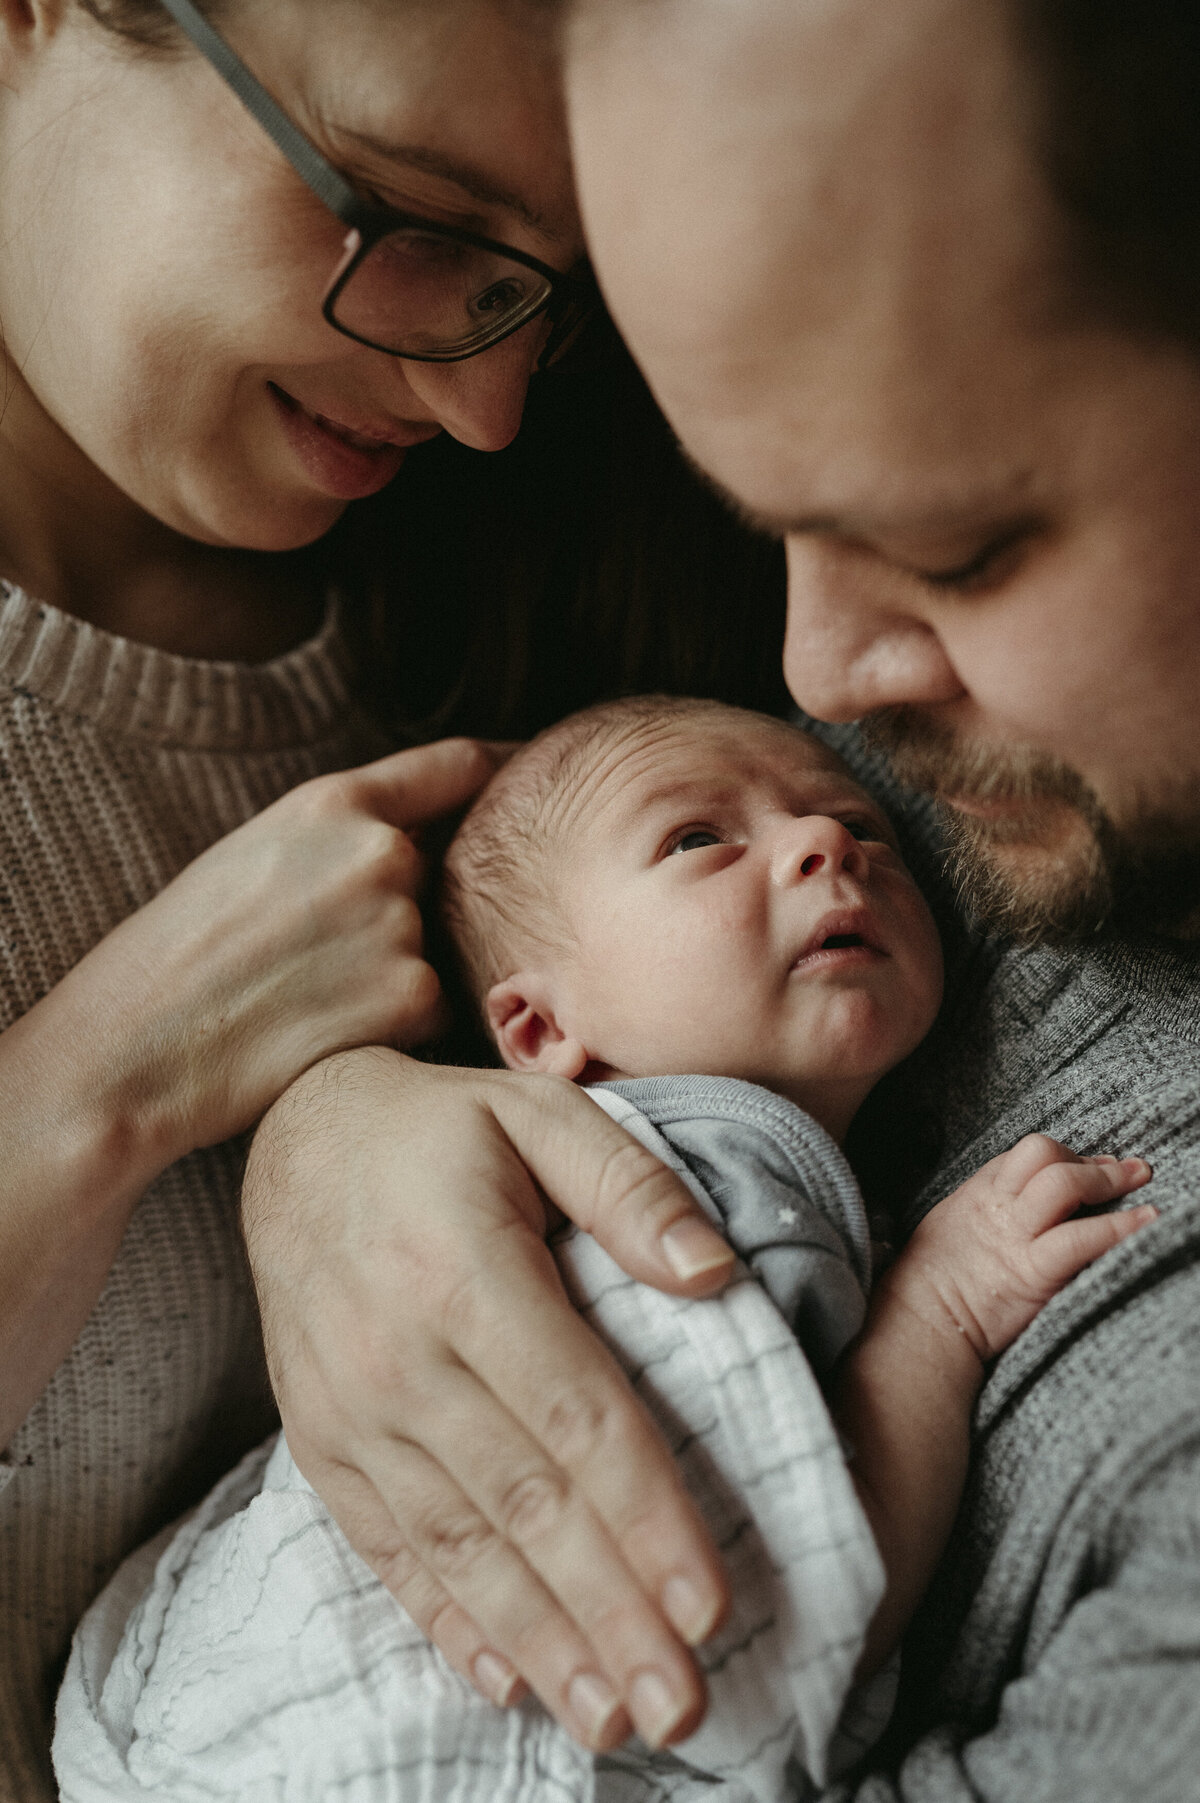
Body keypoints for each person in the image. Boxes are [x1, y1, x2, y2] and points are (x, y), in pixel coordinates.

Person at [235, 3, 1200, 1798]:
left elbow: (739, 1651)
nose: (817, 674)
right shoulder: (950, 756)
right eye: (771, 524)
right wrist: (337, 1139)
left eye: (952, 545)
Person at [0, 2, 796, 1794]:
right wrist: (101, 1085)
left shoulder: (552, 603)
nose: (485, 399)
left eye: (550, 289)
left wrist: (348, 1128)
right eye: (408, 222)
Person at [52, 697, 1153, 1801]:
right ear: (536, 1031)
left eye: (865, 829)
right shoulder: (706, 1185)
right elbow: (761, 1635)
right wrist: (942, 1317)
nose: (829, 847)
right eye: (696, 839)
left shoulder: (774, 1183)